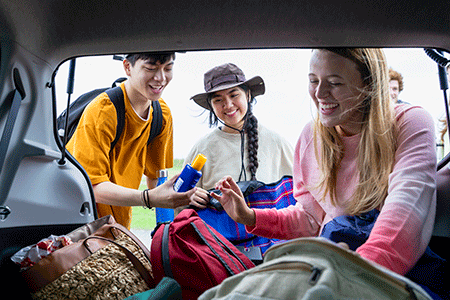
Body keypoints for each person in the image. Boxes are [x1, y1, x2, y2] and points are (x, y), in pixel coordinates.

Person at [212, 49, 437, 279]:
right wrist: (250, 216)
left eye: (335, 83)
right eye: (313, 81)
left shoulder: (409, 123)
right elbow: (311, 220)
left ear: (369, 85)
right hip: (335, 263)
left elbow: (405, 211)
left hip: (388, 276)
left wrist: (353, 277)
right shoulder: (311, 137)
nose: (319, 93)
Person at [67, 52, 196, 229]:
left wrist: (185, 195)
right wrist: (147, 198)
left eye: (168, 68)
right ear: (128, 67)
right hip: (81, 227)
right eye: (150, 68)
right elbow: (92, 186)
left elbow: (156, 179)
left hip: (118, 227)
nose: (160, 78)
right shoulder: (103, 111)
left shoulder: (161, 114)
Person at [185, 63, 294, 208]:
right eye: (218, 99)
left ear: (248, 95)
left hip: (269, 230)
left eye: (234, 95)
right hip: (216, 231)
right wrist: (189, 198)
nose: (228, 105)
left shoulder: (277, 143)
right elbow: (178, 201)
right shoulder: (202, 148)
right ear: (211, 105)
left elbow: (300, 195)